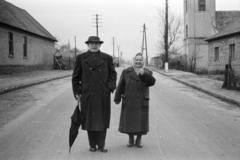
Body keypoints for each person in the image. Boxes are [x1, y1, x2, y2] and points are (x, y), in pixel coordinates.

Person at [72, 36, 117, 153]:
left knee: (102, 120)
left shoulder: (107, 58)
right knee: (90, 120)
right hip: (88, 95)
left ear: (100, 45)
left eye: (96, 43)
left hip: (103, 94)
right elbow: (75, 78)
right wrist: (77, 92)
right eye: (91, 43)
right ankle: (92, 145)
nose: (94, 45)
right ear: (88, 45)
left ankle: (101, 145)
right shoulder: (81, 58)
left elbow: (113, 74)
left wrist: (109, 88)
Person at [114, 53, 156, 148]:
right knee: (130, 121)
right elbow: (120, 86)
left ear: (143, 61)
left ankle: (139, 139)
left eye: (140, 60)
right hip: (129, 99)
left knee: (141, 121)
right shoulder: (126, 72)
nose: (138, 61)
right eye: (136, 60)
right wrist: (117, 98)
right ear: (133, 61)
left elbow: (152, 82)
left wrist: (143, 73)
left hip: (142, 100)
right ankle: (131, 139)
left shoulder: (147, 72)